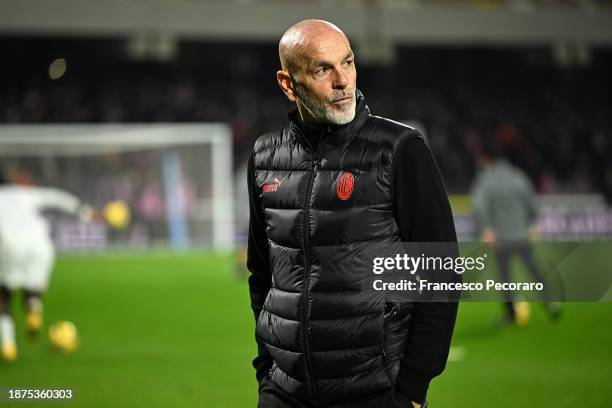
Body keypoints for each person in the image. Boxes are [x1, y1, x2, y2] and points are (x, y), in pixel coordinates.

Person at [247, 19, 458, 407]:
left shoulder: (399, 149)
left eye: (347, 62)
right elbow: (263, 272)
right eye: (323, 69)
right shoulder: (265, 158)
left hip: (374, 391)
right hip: (285, 392)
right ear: (288, 83)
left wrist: (412, 388)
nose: (343, 80)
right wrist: (268, 370)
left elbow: (439, 271)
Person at [0, 172, 92, 362]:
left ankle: (8, 345)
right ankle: (33, 309)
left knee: (4, 295)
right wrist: (83, 210)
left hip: (10, 247)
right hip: (40, 246)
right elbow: (56, 197)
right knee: (33, 288)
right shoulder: (24, 194)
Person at [471, 140, 560, 326]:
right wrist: (531, 223)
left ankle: (511, 314)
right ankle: (550, 302)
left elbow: (479, 205)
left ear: (487, 160)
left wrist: (487, 229)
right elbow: (531, 203)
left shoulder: (487, 178)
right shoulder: (518, 176)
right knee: (534, 271)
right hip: (521, 235)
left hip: (501, 238)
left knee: (505, 278)